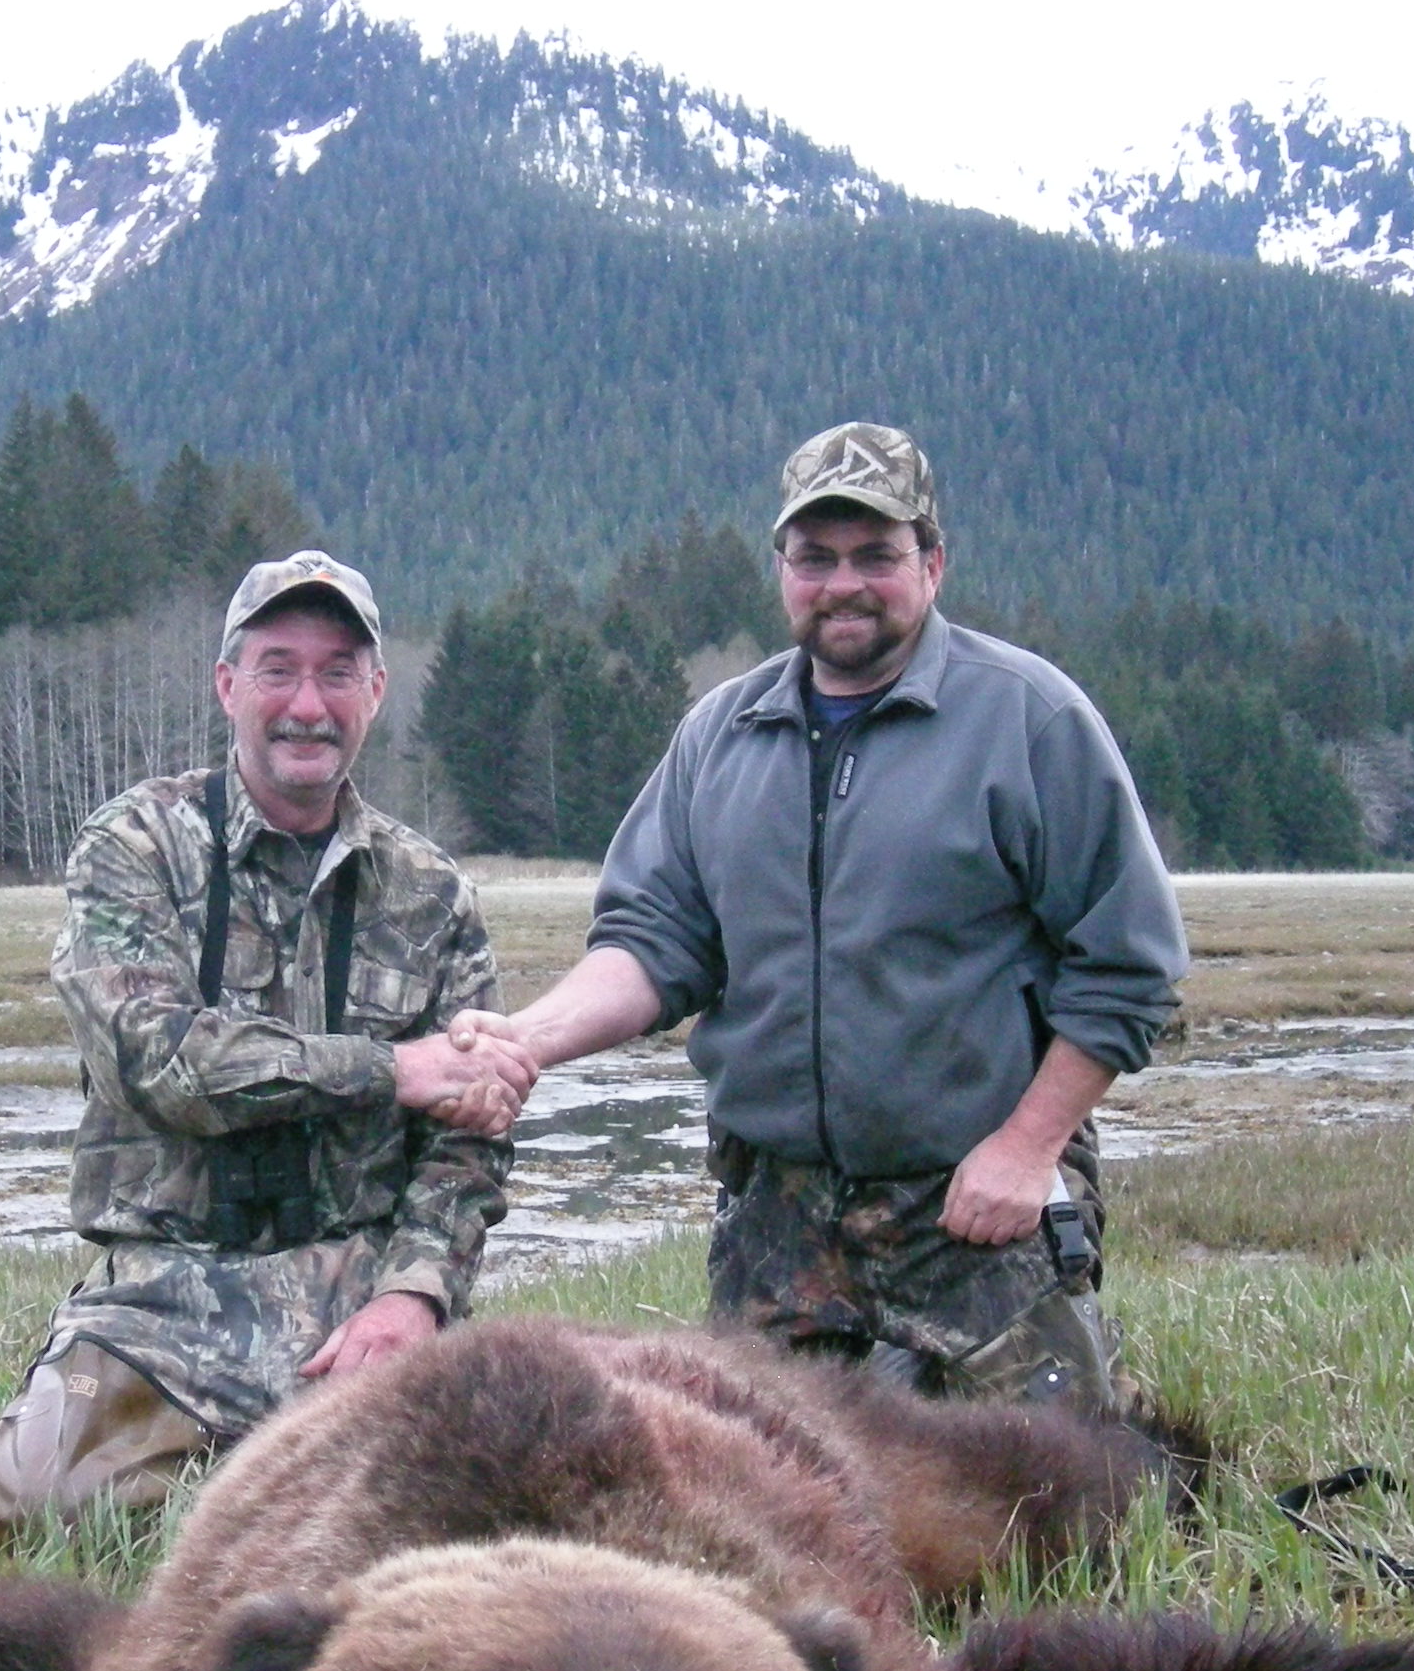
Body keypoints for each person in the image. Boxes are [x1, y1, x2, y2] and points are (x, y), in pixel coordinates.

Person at [457, 423, 1187, 1409]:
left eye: (875, 555)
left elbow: (1130, 966)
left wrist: (1027, 1149)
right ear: (783, 571)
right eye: (816, 558)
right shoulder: (719, 735)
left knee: (1055, 1487)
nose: (844, 584)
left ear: (932, 563)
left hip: (973, 1198)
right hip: (779, 1217)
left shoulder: (1028, 719)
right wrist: (526, 1041)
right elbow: (654, 941)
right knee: (754, 1482)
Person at [0, 549, 534, 1535]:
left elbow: (469, 1143)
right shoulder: (134, 846)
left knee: (493, 1518)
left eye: (338, 673)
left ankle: (286, 1468)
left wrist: (413, 1297)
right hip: (168, 1291)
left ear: (375, 693)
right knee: (17, 1511)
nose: (308, 705)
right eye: (279, 670)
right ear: (228, 686)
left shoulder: (432, 892)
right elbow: (155, 1061)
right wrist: (392, 1069)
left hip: (359, 1290)